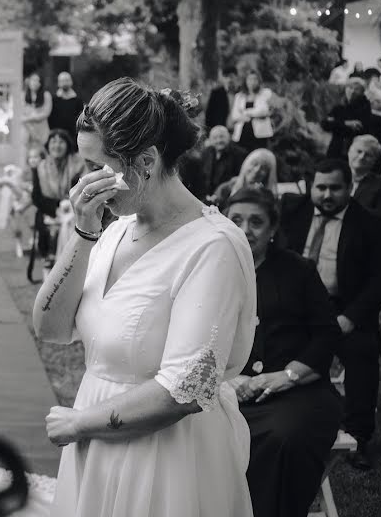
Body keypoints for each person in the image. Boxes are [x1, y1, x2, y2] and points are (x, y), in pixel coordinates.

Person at [34, 78, 256, 517]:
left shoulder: (213, 246)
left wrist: (80, 422)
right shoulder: (115, 228)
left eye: (98, 167)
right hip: (98, 445)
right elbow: (51, 329)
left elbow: (185, 390)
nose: (86, 182)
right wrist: (83, 233)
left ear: (147, 162)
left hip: (167, 456)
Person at [225, 187, 342, 517]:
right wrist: (227, 378)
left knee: (284, 437)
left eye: (256, 222)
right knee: (193, 432)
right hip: (230, 390)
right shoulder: (214, 270)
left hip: (297, 391)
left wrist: (288, 375)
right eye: (236, 220)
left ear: (273, 228)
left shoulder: (299, 270)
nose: (245, 229)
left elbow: (327, 333)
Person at [279, 159, 381, 470]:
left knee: (362, 352)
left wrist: (350, 318)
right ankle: (283, 423)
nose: (327, 194)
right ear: (311, 186)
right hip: (298, 307)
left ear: (349, 187)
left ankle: (358, 436)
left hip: (344, 308)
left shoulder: (370, 225)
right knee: (274, 343)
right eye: (321, 187)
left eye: (335, 188)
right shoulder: (293, 213)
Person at [30, 129, 85, 265]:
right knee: (49, 229)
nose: (57, 145)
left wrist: (67, 206)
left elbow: (80, 191)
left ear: (68, 145)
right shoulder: (41, 167)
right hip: (49, 211)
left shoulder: (78, 165)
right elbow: (36, 197)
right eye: (53, 142)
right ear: (48, 146)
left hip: (73, 211)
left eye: (61, 142)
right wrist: (57, 208)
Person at [321, 77, 381, 159]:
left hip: (355, 152)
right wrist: (345, 123)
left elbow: (359, 127)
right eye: (350, 88)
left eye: (357, 89)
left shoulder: (365, 108)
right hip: (335, 150)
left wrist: (336, 123)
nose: (352, 91)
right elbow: (325, 124)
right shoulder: (338, 107)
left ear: (362, 92)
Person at [212, 148, 279, 210]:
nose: (257, 170)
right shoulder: (225, 189)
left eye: (264, 168)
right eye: (254, 164)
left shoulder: (267, 197)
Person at [348, 134, 381, 221]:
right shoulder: (331, 176)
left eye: (368, 155)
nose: (361, 157)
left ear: (374, 161)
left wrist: (348, 207)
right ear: (349, 152)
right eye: (359, 151)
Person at [200, 125, 248, 200]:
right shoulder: (206, 153)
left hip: (228, 197)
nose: (219, 141)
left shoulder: (239, 153)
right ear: (210, 140)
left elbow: (240, 178)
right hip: (207, 196)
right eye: (215, 138)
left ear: (228, 137)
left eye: (222, 137)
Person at [230, 70, 273, 152]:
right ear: (245, 81)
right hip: (242, 135)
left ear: (259, 81)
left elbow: (263, 111)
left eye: (255, 79)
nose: (252, 82)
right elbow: (235, 116)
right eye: (249, 79)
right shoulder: (239, 96)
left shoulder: (265, 93)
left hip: (260, 136)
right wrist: (251, 116)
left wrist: (246, 112)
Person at [48, 72, 85, 151]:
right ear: (58, 83)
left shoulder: (78, 100)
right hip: (57, 137)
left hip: (73, 138)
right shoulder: (53, 100)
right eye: (62, 81)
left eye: (66, 80)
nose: (64, 83)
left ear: (71, 82)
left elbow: (81, 119)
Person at [20, 72, 52, 150]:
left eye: (37, 80)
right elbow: (19, 113)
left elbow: (45, 113)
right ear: (29, 81)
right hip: (26, 130)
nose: (35, 83)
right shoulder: (22, 95)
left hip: (41, 130)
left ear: (41, 83)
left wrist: (28, 118)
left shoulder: (46, 95)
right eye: (33, 80)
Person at [205, 67, 237, 131]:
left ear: (236, 77)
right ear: (222, 78)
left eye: (231, 77)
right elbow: (209, 115)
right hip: (221, 130)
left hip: (238, 131)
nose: (229, 80)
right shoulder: (216, 93)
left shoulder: (242, 93)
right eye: (226, 77)